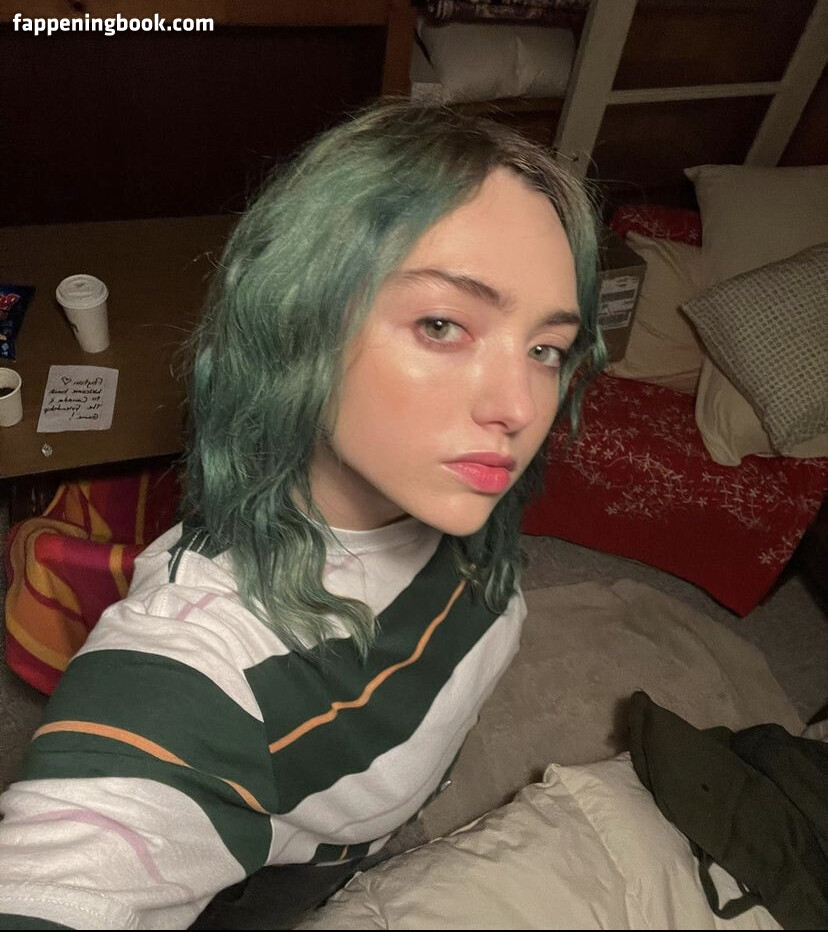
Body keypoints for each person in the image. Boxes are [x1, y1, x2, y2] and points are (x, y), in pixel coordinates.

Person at [0, 100, 605, 930]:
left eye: (545, 349)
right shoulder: (199, 662)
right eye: (442, 325)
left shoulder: (450, 486)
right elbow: (68, 867)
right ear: (297, 322)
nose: (520, 408)